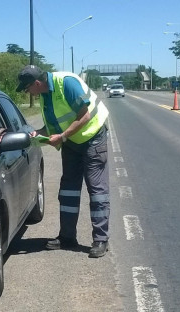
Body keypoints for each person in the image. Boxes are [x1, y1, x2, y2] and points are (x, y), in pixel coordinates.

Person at [16, 65, 111, 258]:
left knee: (97, 191)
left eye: (27, 89)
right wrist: (36, 135)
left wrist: (63, 136)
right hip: (71, 142)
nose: (27, 93)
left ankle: (101, 239)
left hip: (93, 137)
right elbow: (53, 127)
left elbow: (85, 114)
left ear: (36, 83)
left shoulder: (67, 83)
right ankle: (67, 237)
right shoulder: (44, 95)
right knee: (68, 190)